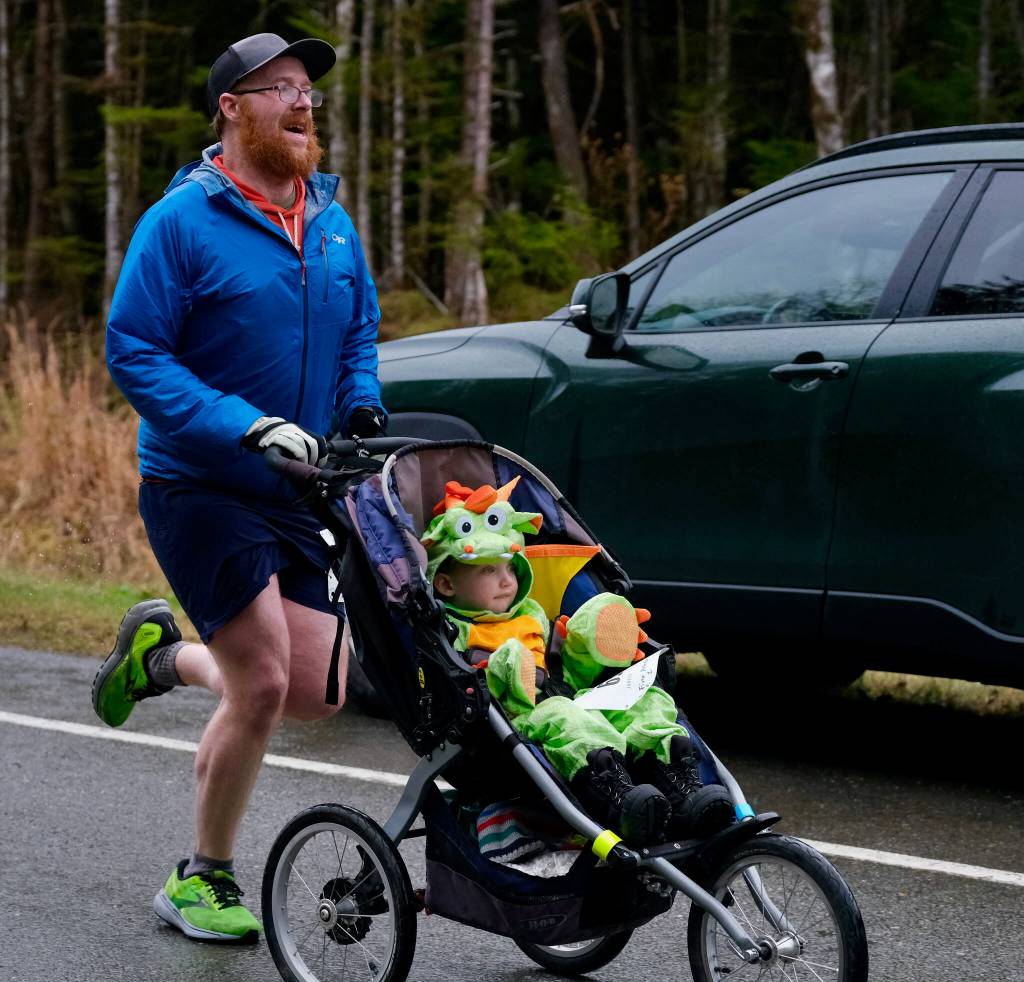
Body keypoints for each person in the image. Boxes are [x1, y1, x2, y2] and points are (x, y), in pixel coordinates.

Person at [91, 32, 386, 944]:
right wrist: (243, 425)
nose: (303, 105)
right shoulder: (181, 222)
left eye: (309, 93)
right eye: (281, 89)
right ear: (232, 109)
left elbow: (357, 332)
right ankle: (201, 877)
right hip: (201, 478)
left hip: (298, 487)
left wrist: (362, 408)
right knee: (260, 683)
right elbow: (133, 349)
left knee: (319, 692)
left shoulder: (332, 222)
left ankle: (162, 659)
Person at [421, 479, 735, 848]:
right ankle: (618, 799)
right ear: (445, 584)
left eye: (509, 567)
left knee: (644, 702)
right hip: (517, 716)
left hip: (567, 691)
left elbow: (562, 662)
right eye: (488, 571)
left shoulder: (532, 613)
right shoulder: (454, 630)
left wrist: (587, 645)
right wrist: (507, 667)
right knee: (568, 720)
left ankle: (683, 788)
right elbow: (464, 678)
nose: (506, 581)